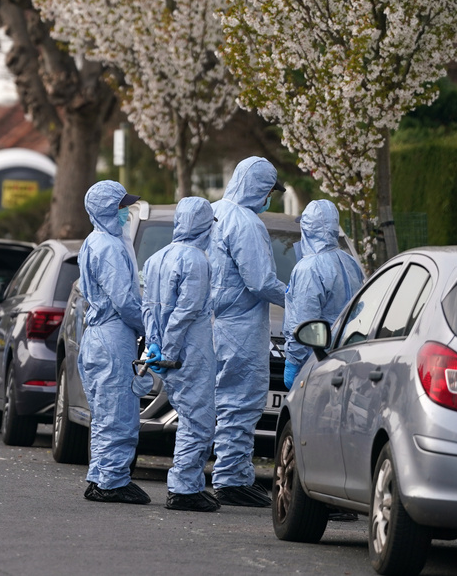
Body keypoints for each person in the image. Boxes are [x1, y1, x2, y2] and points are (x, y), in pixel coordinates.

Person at [208, 156, 286, 507]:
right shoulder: (247, 223)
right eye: (271, 191)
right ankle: (231, 478)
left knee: (210, 403)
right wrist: (299, 298)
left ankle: (204, 477)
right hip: (240, 326)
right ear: (261, 188)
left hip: (208, 324)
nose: (271, 198)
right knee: (241, 403)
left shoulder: (212, 211)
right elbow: (261, 282)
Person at [142, 197, 220, 512]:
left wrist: (155, 346)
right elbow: (186, 311)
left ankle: (185, 484)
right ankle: (184, 488)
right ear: (204, 225)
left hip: (166, 351)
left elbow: (149, 307)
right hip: (190, 349)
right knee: (199, 419)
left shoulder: (156, 258)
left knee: (189, 415)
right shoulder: (197, 260)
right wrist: (171, 350)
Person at [78, 180, 150, 505]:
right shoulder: (107, 246)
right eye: (122, 207)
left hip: (98, 336)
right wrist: (150, 325)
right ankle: (111, 481)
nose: (126, 212)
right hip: (112, 335)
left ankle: (101, 476)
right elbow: (125, 300)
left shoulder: (95, 241)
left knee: (105, 412)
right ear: (109, 209)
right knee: (118, 411)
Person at [283, 199, 364, 389]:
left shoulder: (308, 269)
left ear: (308, 228)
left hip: (317, 360)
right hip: (348, 353)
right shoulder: (348, 261)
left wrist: (293, 361)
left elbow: (304, 322)